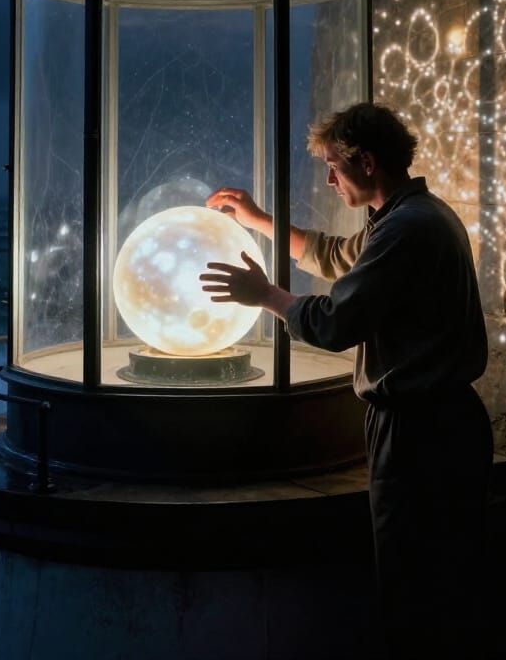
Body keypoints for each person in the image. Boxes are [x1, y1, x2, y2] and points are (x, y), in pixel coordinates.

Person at [199, 102, 491, 660]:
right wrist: (257, 219)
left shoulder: (407, 229)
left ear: (367, 161)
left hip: (420, 434)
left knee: (418, 588)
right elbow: (334, 257)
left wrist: (266, 297)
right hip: (442, 424)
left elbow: (335, 323)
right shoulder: (412, 217)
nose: (329, 179)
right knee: (444, 578)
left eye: (334, 166)